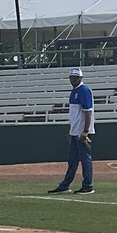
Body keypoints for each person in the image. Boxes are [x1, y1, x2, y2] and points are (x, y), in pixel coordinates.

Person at [47, 67, 95, 195]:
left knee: (85, 159)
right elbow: (76, 114)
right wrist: (71, 128)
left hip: (80, 131)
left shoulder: (84, 90)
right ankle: (65, 184)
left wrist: (85, 131)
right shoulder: (74, 92)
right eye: (72, 77)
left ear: (81, 78)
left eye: (76, 77)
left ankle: (88, 185)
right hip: (75, 131)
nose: (73, 79)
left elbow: (88, 112)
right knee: (72, 159)